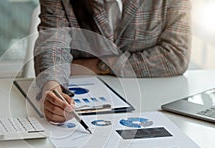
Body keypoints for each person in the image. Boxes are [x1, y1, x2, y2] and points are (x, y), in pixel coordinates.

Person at [33, 0, 192, 123]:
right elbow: (53, 42)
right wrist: (52, 87)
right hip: (86, 99)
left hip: (150, 102)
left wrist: (100, 66)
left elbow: (176, 57)